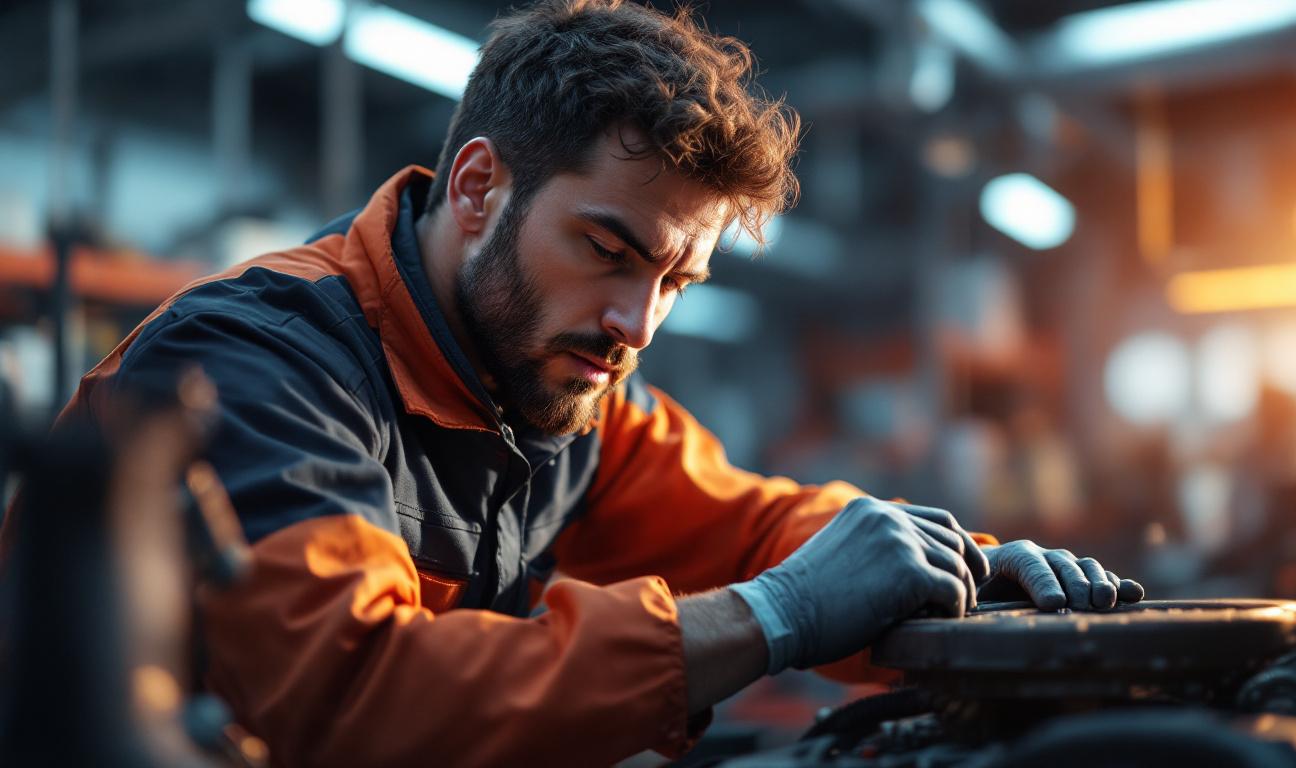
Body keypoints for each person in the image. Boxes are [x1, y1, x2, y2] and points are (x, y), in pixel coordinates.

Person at [31, 1, 1142, 764]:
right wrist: (776, 617)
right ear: (478, 188)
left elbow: (753, 528)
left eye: (676, 279)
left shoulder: (559, 394)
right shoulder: (258, 364)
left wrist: (960, 568)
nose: (636, 324)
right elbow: (346, 697)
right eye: (610, 250)